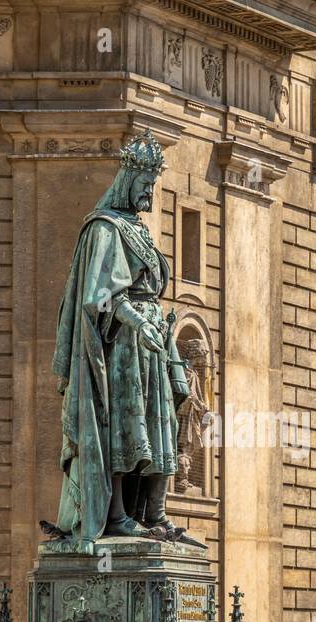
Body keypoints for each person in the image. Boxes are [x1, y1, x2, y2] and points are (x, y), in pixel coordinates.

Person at [51, 130, 191, 552]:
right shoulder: (106, 228)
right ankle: (116, 516)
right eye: (144, 185)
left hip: (153, 346)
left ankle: (155, 513)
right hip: (124, 349)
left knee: (162, 422)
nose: (149, 193)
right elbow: (100, 295)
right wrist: (134, 321)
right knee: (126, 427)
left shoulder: (137, 228)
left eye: (153, 185)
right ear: (128, 180)